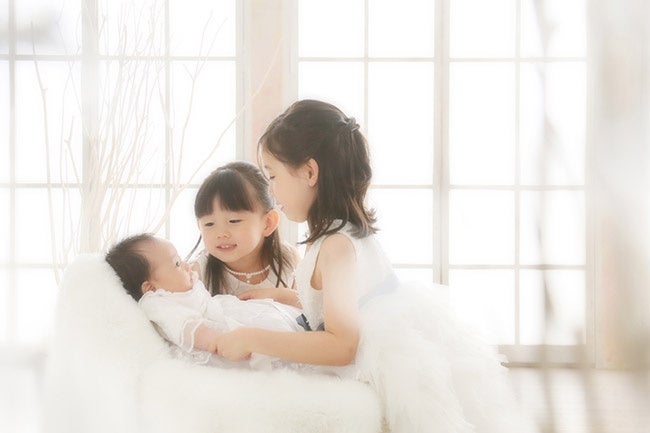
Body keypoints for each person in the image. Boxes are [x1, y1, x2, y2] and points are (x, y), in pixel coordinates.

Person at [214, 100, 535, 432]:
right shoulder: (343, 231)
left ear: (309, 172)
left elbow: (342, 344)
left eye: (272, 176)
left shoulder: (336, 246)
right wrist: (285, 297)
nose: (271, 190)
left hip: (384, 367)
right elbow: (347, 304)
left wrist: (254, 338)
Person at [105, 233, 305, 370]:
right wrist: (217, 341)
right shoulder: (157, 303)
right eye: (176, 263)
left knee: (278, 320)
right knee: (268, 343)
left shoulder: (180, 288)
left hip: (226, 312)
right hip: (219, 336)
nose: (185, 265)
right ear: (150, 288)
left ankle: (304, 332)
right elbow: (185, 326)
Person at [189, 161, 300, 307]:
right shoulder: (197, 273)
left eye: (234, 221)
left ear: (268, 223)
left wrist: (279, 296)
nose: (221, 234)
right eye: (209, 224)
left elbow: (309, 311)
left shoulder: (288, 260)